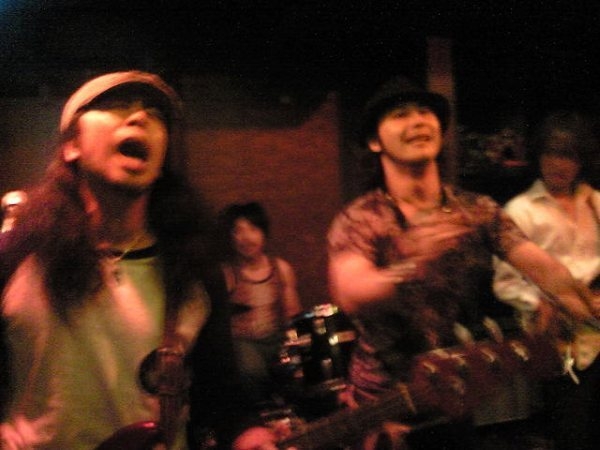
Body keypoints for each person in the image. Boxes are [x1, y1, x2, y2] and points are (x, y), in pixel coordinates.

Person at [0, 71, 276, 450]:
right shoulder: (15, 256)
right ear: (71, 146)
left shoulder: (193, 269)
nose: (140, 117)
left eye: (155, 114)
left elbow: (222, 395)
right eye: (116, 106)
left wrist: (249, 434)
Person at [326, 76, 599, 450]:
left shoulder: (476, 210)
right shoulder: (361, 217)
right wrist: (411, 265)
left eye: (425, 112)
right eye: (400, 114)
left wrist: (581, 305)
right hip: (382, 404)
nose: (418, 120)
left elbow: (546, 270)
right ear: (375, 141)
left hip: (451, 387)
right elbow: (351, 291)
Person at [493, 110, 600, 450]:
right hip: (558, 335)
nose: (558, 163)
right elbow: (505, 282)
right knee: (572, 429)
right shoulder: (520, 210)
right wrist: (538, 302)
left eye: (568, 155)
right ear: (538, 156)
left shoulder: (595, 202)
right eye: (551, 153)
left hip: (596, 316)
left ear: (581, 160)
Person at [218, 202, 303, 406]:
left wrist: (296, 346)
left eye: (253, 229)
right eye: (237, 231)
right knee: (251, 370)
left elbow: (293, 313)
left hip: (276, 337)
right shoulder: (227, 273)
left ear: (264, 232)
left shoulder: (281, 268)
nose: (246, 238)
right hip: (243, 341)